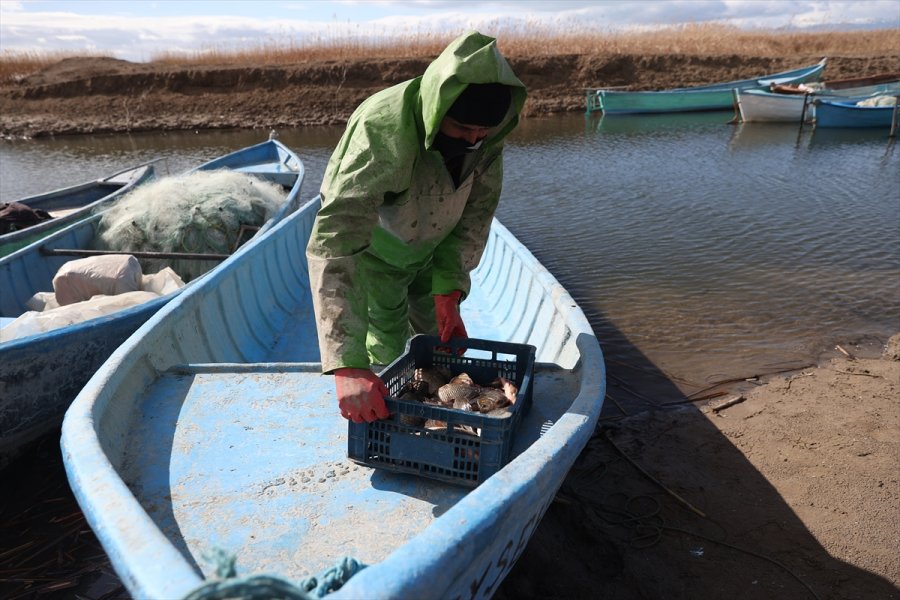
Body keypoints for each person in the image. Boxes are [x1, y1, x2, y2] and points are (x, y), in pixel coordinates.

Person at [306, 30, 527, 423]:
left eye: (482, 133)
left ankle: (437, 414)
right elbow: (337, 240)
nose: (474, 140)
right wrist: (347, 366)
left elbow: (476, 212)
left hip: (433, 249)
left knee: (442, 351)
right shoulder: (381, 130)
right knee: (386, 347)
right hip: (376, 255)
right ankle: (381, 414)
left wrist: (449, 290)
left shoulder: (487, 134)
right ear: (439, 112)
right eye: (462, 130)